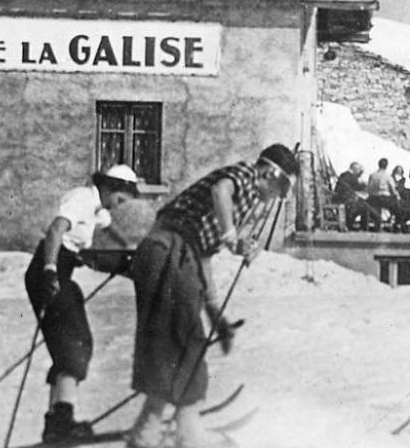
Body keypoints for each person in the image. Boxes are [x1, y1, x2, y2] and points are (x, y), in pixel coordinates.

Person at [125, 144, 299, 448]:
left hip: (177, 254)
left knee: (173, 348)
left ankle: (148, 433)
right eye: (281, 186)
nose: (277, 196)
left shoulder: (240, 202)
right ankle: (186, 436)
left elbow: (202, 259)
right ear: (270, 173)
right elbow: (220, 191)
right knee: (187, 345)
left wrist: (215, 313)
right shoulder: (244, 174)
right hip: (170, 250)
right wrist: (231, 236)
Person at [25, 164, 141, 443]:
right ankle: (61, 423)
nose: (117, 207)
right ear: (111, 188)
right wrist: (50, 270)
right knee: (74, 346)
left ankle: (56, 421)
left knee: (73, 345)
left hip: (60, 274)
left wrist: (133, 253)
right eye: (120, 200)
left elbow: (110, 230)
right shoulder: (82, 199)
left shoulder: (98, 208)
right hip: (49, 274)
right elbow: (55, 232)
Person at [330, 161, 374, 230]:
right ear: (355, 169)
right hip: (345, 200)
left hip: (340, 198)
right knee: (365, 207)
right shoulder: (351, 177)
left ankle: (350, 224)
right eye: (358, 170)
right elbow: (359, 187)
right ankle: (363, 227)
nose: (359, 172)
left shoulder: (344, 175)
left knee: (361, 205)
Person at [364, 157, 400, 229]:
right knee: (397, 208)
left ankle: (373, 224)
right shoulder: (388, 176)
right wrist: (397, 196)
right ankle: (397, 225)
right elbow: (393, 189)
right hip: (385, 198)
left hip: (374, 198)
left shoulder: (372, 175)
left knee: (369, 206)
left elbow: (368, 188)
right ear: (386, 166)